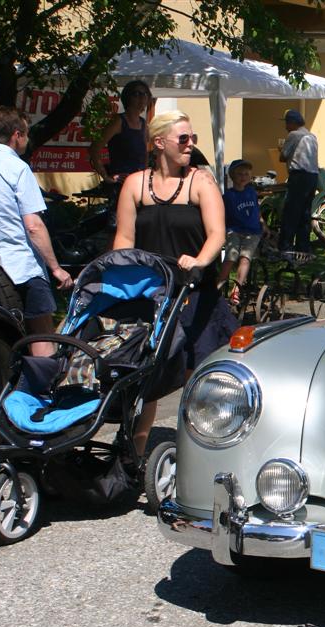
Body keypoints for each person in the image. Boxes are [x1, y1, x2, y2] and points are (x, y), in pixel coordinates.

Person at [112, 110, 237, 458]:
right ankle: (135, 452)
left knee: (195, 377)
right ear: (159, 142)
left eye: (193, 138)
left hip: (194, 293)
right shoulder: (135, 184)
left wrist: (198, 260)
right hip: (151, 294)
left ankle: (197, 453)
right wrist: (120, 274)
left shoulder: (201, 182)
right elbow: (124, 237)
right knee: (147, 375)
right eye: (183, 138)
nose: (190, 144)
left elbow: (216, 234)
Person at [0, 106, 73, 356]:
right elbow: (33, 225)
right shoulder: (18, 168)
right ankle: (43, 392)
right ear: (17, 135)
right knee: (42, 337)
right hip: (19, 266)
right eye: (26, 134)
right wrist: (56, 268)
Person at [218, 159, 267, 305]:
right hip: (234, 230)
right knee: (230, 258)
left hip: (252, 232)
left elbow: (256, 211)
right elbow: (222, 214)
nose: (243, 177)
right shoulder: (228, 196)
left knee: (245, 258)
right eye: (239, 174)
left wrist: (264, 225)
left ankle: (236, 291)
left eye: (246, 174)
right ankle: (218, 285)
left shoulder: (251, 192)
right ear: (232, 176)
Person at [89, 80, 151, 184]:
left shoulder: (143, 123)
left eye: (145, 94)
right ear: (128, 97)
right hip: (121, 183)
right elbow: (94, 149)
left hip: (139, 181)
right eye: (136, 93)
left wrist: (145, 174)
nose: (141, 97)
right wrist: (106, 177)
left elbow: (144, 154)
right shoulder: (118, 121)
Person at [277, 109, 319, 255]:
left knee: (291, 211)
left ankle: (285, 246)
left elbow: (283, 156)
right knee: (305, 213)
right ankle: (303, 246)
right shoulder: (312, 136)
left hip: (299, 175)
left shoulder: (294, 135)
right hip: (312, 176)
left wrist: (280, 148)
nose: (286, 127)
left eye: (287, 123)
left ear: (293, 123)